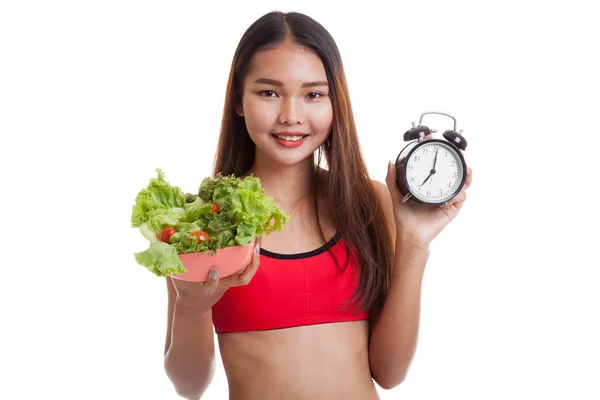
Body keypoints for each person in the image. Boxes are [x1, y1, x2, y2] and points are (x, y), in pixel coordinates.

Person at [163, 10, 472, 400]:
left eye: (313, 94)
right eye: (269, 92)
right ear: (238, 100)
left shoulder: (367, 203)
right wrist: (191, 308)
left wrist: (413, 242)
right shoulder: (204, 221)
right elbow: (189, 386)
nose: (292, 116)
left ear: (334, 101)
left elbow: (389, 372)